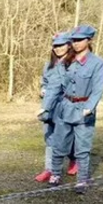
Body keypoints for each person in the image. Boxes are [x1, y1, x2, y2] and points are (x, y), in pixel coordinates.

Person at [40, 24, 103, 194]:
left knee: (82, 148)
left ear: (89, 40)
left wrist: (90, 107)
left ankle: (82, 180)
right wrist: (45, 107)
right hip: (65, 107)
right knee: (59, 144)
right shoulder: (65, 62)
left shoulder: (97, 63)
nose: (76, 44)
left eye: (79, 40)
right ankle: (55, 174)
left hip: (84, 110)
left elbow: (98, 88)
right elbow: (54, 86)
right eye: (74, 40)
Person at [35, 32, 78, 182]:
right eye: (55, 46)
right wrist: (43, 89)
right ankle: (49, 169)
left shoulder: (73, 64)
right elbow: (45, 82)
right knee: (49, 137)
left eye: (61, 45)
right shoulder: (49, 65)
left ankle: (74, 159)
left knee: (66, 137)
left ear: (69, 45)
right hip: (49, 106)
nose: (58, 48)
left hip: (67, 106)